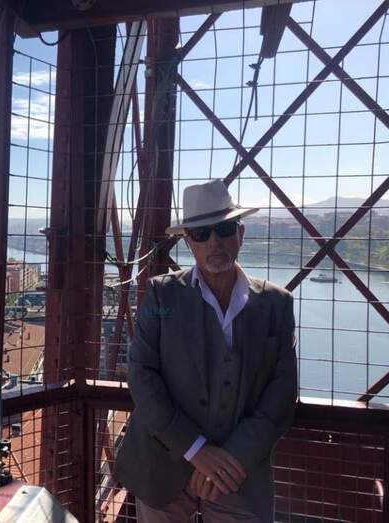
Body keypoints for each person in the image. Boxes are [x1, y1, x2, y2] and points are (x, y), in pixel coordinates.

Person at [113, 180, 297, 522]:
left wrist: (234, 458)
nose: (214, 242)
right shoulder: (160, 295)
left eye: (224, 229)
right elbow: (141, 375)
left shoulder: (277, 304)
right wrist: (196, 450)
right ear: (188, 242)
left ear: (240, 234)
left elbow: (282, 394)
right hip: (163, 466)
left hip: (237, 473)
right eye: (201, 233)